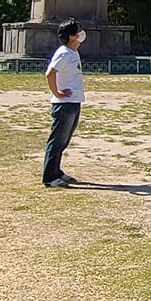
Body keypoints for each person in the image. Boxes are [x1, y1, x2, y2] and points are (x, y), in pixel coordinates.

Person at [43, 19, 86, 188]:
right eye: (78, 31)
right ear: (71, 36)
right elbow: (50, 73)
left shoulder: (72, 52)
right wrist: (57, 93)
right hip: (64, 104)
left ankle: (57, 171)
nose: (82, 34)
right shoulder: (64, 53)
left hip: (74, 101)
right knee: (57, 140)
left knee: (64, 140)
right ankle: (49, 177)